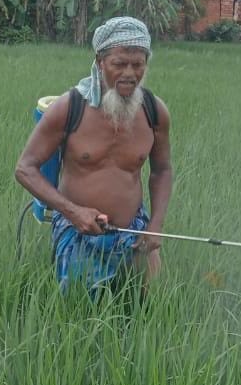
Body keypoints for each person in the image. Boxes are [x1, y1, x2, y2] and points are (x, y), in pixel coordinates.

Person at [15, 16, 172, 297]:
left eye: (138, 65)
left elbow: (161, 171)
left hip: (135, 231)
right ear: (100, 62)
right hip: (79, 231)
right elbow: (25, 169)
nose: (129, 74)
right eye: (119, 64)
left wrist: (155, 226)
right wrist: (73, 212)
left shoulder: (154, 111)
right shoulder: (68, 108)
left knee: (151, 307)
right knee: (81, 315)